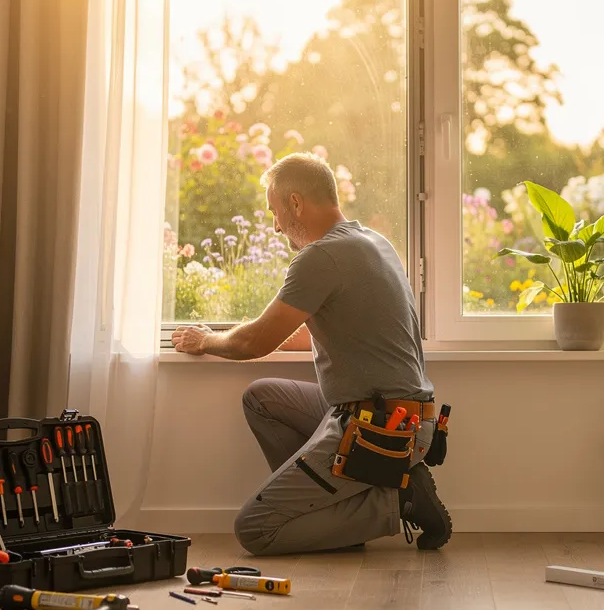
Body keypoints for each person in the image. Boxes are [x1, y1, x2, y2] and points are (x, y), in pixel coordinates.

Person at [171, 152, 451, 555]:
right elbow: (362, 325)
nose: (275, 224)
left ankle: (398, 502)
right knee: (263, 398)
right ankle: (335, 520)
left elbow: (254, 343)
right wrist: (292, 333)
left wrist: (205, 340)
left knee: (254, 530)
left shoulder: (319, 257)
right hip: (402, 414)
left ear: (296, 203)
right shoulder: (372, 242)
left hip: (381, 427)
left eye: (275, 211)